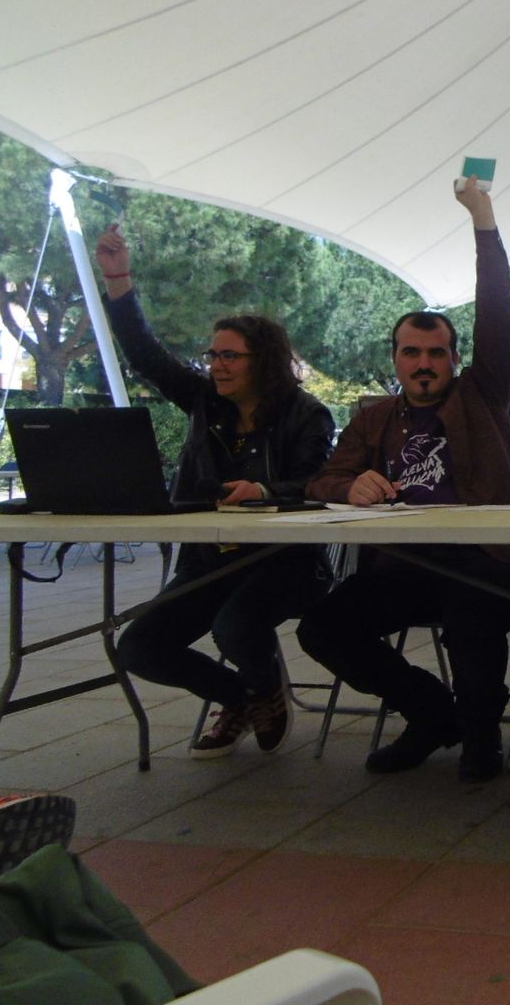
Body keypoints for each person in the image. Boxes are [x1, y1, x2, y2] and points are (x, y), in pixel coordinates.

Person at [297, 176, 510, 782]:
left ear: (454, 359)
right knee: (322, 627)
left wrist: (483, 222)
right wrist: (348, 488)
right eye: (412, 353)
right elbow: (322, 480)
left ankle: (481, 732)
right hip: (403, 564)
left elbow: (494, 316)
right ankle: (432, 712)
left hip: (480, 558)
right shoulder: (374, 417)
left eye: (436, 353)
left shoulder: (482, 396)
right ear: (396, 358)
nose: (424, 364)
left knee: (471, 612)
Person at [95, 224, 335, 757]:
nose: (216, 365)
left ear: (263, 361)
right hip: (209, 559)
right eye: (213, 355)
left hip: (283, 562)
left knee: (234, 626)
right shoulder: (205, 401)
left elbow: (318, 484)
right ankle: (248, 698)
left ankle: (256, 694)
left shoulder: (307, 413)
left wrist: (266, 489)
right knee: (139, 645)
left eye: (230, 357)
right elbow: (146, 356)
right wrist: (119, 281)